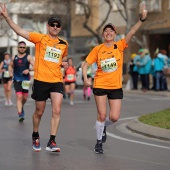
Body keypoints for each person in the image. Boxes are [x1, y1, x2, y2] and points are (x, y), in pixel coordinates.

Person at [0, 4, 68, 152]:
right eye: (52, 25)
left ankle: (52, 141)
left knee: (57, 110)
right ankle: (35, 135)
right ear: (48, 26)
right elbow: (19, 31)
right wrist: (6, 17)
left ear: (60, 28)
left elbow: (64, 57)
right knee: (39, 111)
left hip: (56, 80)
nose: (55, 27)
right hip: (41, 80)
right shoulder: (40, 38)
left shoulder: (64, 44)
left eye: (58, 25)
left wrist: (64, 62)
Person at [82, 6, 147, 154]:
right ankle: (99, 142)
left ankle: (102, 126)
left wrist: (141, 20)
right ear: (103, 34)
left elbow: (132, 32)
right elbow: (86, 65)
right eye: (106, 31)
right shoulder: (97, 49)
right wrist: (86, 78)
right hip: (100, 84)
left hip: (116, 86)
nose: (108, 33)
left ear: (115, 34)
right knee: (102, 115)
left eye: (111, 31)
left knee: (114, 117)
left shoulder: (120, 46)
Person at [9, 41, 34, 122]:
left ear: (25, 48)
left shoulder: (28, 57)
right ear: (18, 48)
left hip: (26, 79)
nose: (22, 48)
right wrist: (10, 72)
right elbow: (10, 65)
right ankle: (20, 114)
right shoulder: (14, 57)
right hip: (17, 79)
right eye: (20, 47)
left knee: (25, 97)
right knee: (19, 96)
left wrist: (29, 69)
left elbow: (36, 66)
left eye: (23, 47)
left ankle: (21, 106)